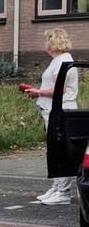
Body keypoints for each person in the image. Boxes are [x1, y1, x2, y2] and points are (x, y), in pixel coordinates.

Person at [23, 28, 78, 205]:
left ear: (53, 42)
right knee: (55, 150)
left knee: (60, 151)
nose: (45, 43)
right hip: (53, 111)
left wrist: (37, 92)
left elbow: (59, 90)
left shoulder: (62, 61)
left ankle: (63, 192)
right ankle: (57, 187)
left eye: (47, 40)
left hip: (59, 111)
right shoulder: (59, 60)